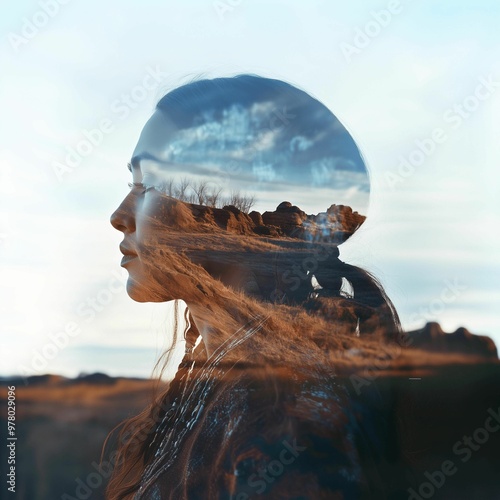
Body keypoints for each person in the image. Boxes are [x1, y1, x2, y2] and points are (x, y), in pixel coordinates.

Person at [107, 75, 402, 499]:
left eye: (149, 182)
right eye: (131, 183)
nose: (119, 215)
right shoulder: (217, 374)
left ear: (213, 209)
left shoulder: (287, 416)